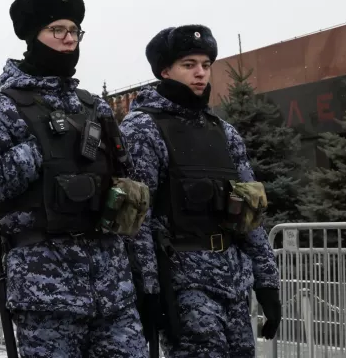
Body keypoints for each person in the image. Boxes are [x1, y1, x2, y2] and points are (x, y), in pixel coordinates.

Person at [0, 0, 149, 357]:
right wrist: (35, 152)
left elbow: (128, 189)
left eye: (74, 30)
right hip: (46, 294)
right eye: (57, 30)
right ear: (33, 36)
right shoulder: (1, 108)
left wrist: (145, 280)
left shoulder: (95, 108)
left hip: (113, 291)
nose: (68, 40)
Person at [119, 25, 282, 357]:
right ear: (165, 71)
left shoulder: (224, 133)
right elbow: (138, 220)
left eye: (206, 65)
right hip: (184, 287)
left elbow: (250, 213)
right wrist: (148, 290)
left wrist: (267, 283)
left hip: (233, 284)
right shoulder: (143, 129)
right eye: (188, 64)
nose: (200, 73)